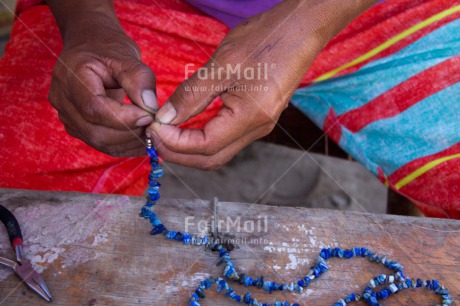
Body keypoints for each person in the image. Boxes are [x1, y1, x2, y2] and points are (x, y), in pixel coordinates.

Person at [0, 0, 458, 218]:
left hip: (391, 11)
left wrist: (304, 21)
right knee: (21, 189)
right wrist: (88, 22)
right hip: (145, 11)